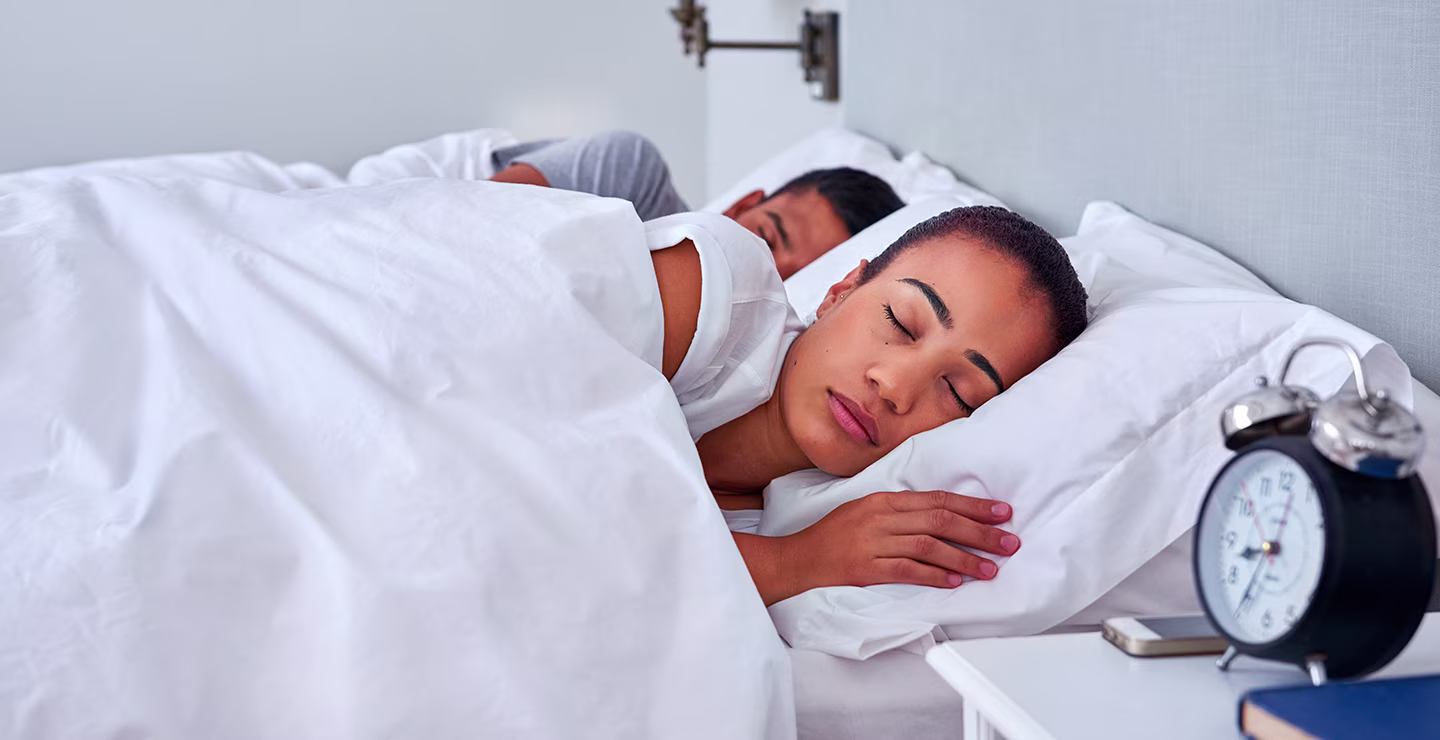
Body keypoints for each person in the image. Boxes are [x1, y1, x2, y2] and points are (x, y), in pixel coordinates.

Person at [642, 204, 1088, 605]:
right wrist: (789, 563)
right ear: (843, 289)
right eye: (902, 323)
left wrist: (802, 558)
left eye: (959, 394)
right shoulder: (712, 288)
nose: (894, 385)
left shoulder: (796, 529)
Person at [489, 130, 905, 278]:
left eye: (787, 282)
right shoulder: (629, 175)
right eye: (765, 239)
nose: (760, 270)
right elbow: (470, 218)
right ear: (743, 204)